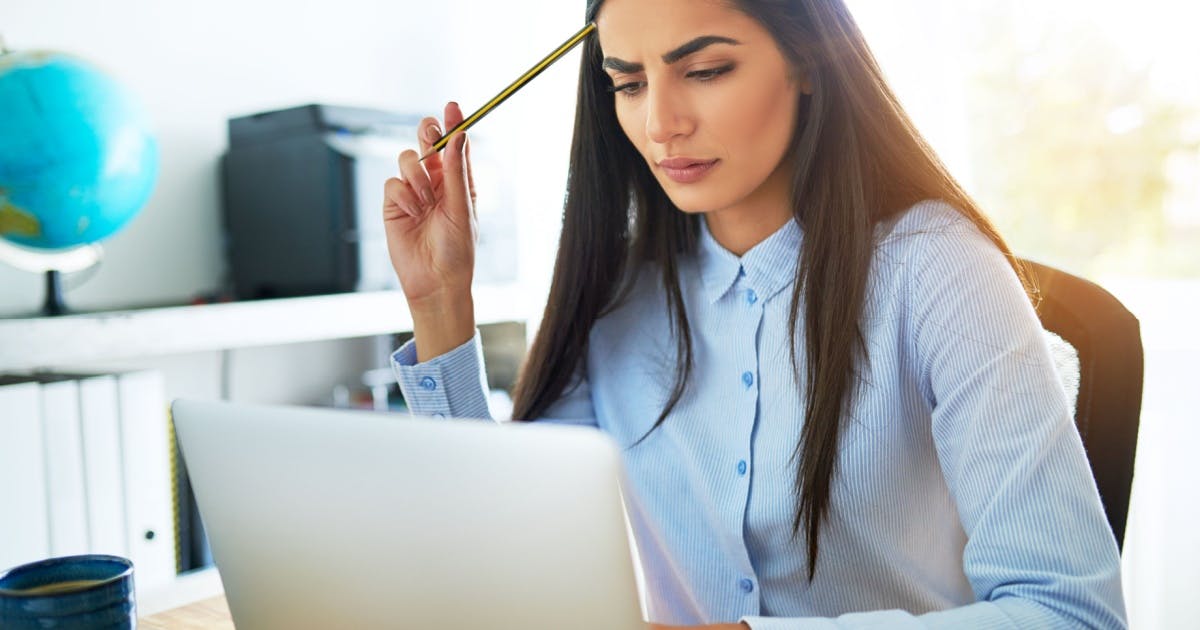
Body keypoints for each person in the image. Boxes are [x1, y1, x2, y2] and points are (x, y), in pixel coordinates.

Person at [381, 0, 1127, 628]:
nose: (661, 124)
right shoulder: (615, 298)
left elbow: (1068, 610)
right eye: (630, 83)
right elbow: (509, 572)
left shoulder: (936, 269)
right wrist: (440, 303)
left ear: (805, 60)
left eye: (704, 71)